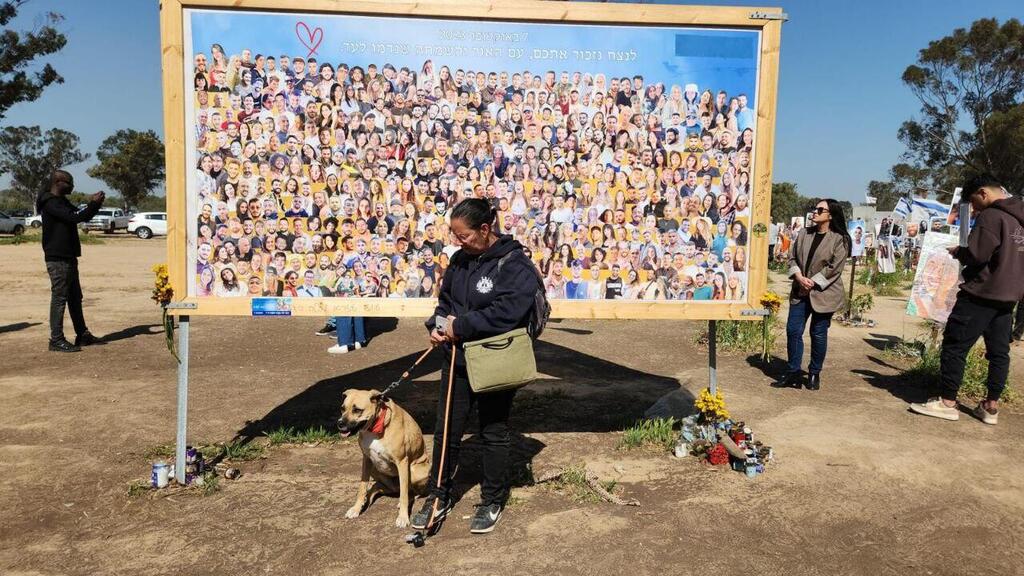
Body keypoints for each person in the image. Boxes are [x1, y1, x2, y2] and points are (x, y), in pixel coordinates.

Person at [412, 198, 539, 535]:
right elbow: (446, 301)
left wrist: (461, 326)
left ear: (485, 229)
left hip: (496, 358)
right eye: (454, 236)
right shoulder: (458, 261)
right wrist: (438, 326)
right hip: (456, 357)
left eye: (464, 236)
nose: (458, 242)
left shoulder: (515, 265)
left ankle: (493, 498)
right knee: (447, 430)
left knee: (493, 431)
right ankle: (438, 495)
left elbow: (508, 312)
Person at [910, 176, 1024, 425]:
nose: (973, 209)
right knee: (998, 352)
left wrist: (958, 251)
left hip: (981, 294)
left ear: (983, 193)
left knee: (955, 345)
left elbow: (976, 253)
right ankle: (990, 406)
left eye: (973, 202)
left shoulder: (992, 216)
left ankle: (948, 401)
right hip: (1008, 297)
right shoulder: (1019, 218)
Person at [775, 198, 851, 390]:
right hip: (799, 290)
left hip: (824, 294)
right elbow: (791, 258)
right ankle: (793, 371)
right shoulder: (803, 233)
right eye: (814, 209)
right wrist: (799, 277)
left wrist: (813, 282)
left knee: (817, 333)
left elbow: (835, 268)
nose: (814, 212)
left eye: (819, 209)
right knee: (793, 331)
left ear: (830, 215)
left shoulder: (839, 239)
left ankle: (814, 373)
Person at [37, 170, 105, 352]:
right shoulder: (50, 202)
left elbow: (82, 215)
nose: (73, 186)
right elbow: (74, 218)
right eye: (70, 183)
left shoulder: (61, 202)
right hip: (58, 258)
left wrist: (95, 205)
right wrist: (92, 204)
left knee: (75, 298)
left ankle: (82, 335)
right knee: (60, 298)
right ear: (58, 182)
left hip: (68, 256)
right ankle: (56, 339)